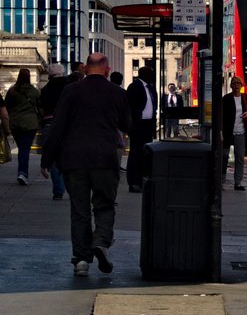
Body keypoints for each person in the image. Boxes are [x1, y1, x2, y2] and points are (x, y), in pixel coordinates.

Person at [40, 53, 131, 277]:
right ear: (107, 69)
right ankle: (100, 242)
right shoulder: (117, 93)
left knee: (79, 211)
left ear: (86, 68)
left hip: (74, 160)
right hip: (105, 159)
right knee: (105, 206)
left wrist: (46, 159)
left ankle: (81, 259)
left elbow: (57, 126)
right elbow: (128, 125)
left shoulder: (71, 91)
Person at [124, 66, 158, 193]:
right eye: (150, 73)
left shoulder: (151, 89)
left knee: (145, 155)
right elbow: (130, 105)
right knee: (135, 154)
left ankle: (142, 179)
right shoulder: (134, 87)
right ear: (143, 74)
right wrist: (137, 116)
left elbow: (153, 105)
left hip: (147, 126)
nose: (152, 76)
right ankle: (133, 181)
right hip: (138, 126)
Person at [38, 63, 69, 200]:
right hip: (68, 126)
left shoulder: (45, 90)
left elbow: (41, 109)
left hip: (50, 124)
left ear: (50, 75)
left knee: (54, 157)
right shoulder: (69, 88)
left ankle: (58, 190)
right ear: (63, 74)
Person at [7, 67, 42, 185]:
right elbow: (39, 107)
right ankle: (23, 173)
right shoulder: (35, 92)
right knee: (24, 149)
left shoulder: (12, 91)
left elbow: (7, 106)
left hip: (15, 122)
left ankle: (21, 172)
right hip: (30, 123)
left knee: (21, 148)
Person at [221, 77, 247, 190]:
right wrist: (221, 132)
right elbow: (221, 116)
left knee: (239, 158)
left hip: (240, 131)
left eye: (238, 83)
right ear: (231, 86)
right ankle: (221, 181)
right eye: (233, 83)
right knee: (224, 157)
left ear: (241, 85)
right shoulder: (226, 98)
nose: (236, 85)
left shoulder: (245, 98)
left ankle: (238, 182)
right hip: (227, 132)